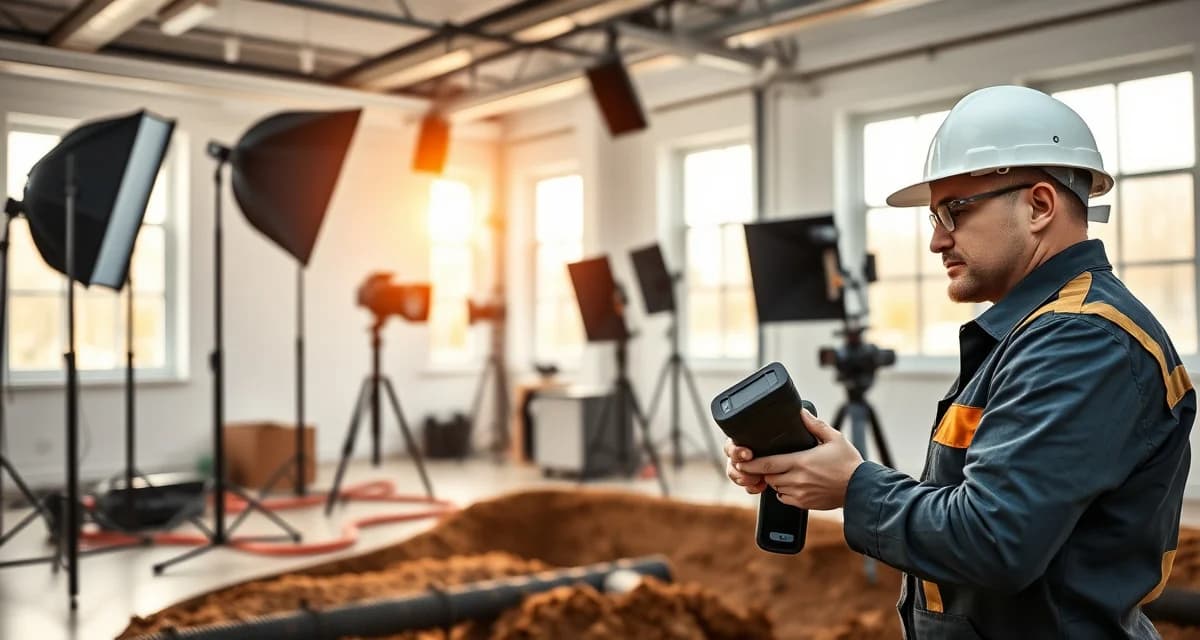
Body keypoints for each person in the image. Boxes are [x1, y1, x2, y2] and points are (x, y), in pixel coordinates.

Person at [725, 85, 1195, 639]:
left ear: (1040, 206)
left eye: (955, 210)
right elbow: (982, 506)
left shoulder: (1079, 341)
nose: (936, 240)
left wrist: (854, 487)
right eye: (932, 216)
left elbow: (993, 539)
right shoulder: (1035, 330)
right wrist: (833, 471)